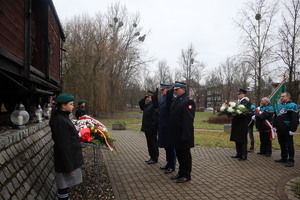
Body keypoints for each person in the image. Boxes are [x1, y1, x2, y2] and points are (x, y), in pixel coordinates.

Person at [49, 94, 84, 200]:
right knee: (63, 187)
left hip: (68, 159)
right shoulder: (60, 120)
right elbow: (63, 145)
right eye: (71, 104)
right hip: (65, 162)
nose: (73, 107)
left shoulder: (63, 117)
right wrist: (69, 167)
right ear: (63, 106)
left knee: (65, 186)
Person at [169, 81, 195, 183]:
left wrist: (186, 135)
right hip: (176, 134)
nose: (175, 91)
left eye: (177, 89)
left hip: (184, 134)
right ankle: (181, 172)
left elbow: (188, 120)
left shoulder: (188, 101)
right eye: (174, 90)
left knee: (185, 155)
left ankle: (186, 175)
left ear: (183, 89)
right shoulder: (177, 100)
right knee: (179, 154)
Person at [154, 83, 176, 174]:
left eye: (162, 90)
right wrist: (155, 97)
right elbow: (157, 106)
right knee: (166, 147)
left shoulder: (172, 98)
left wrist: (169, 93)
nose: (161, 92)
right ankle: (168, 163)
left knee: (171, 147)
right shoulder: (163, 98)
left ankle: (172, 166)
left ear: (167, 90)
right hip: (163, 126)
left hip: (169, 127)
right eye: (161, 90)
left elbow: (169, 106)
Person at [273, 92, 299, 167]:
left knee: (289, 144)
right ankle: (284, 158)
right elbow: (275, 117)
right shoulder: (278, 106)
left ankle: (291, 160)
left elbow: (295, 119)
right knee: (282, 144)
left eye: (283, 96)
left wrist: (293, 129)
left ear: (288, 97)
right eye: (281, 96)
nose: (281, 98)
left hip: (288, 129)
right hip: (280, 129)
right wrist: (274, 126)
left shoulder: (293, 106)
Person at [230, 88, 252, 161]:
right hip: (237, 123)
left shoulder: (246, 102)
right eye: (237, 94)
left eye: (239, 94)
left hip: (242, 123)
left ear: (243, 94)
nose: (238, 95)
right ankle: (238, 153)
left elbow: (247, 112)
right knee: (237, 138)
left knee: (242, 139)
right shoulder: (238, 102)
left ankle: (243, 155)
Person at [139, 90, 159, 164]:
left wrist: (153, 128)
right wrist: (144, 98)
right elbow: (141, 104)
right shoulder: (148, 105)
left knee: (153, 143)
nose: (148, 98)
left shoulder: (154, 105)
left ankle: (155, 157)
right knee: (149, 143)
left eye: (149, 97)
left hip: (151, 129)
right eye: (147, 97)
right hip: (147, 128)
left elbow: (155, 118)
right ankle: (151, 157)